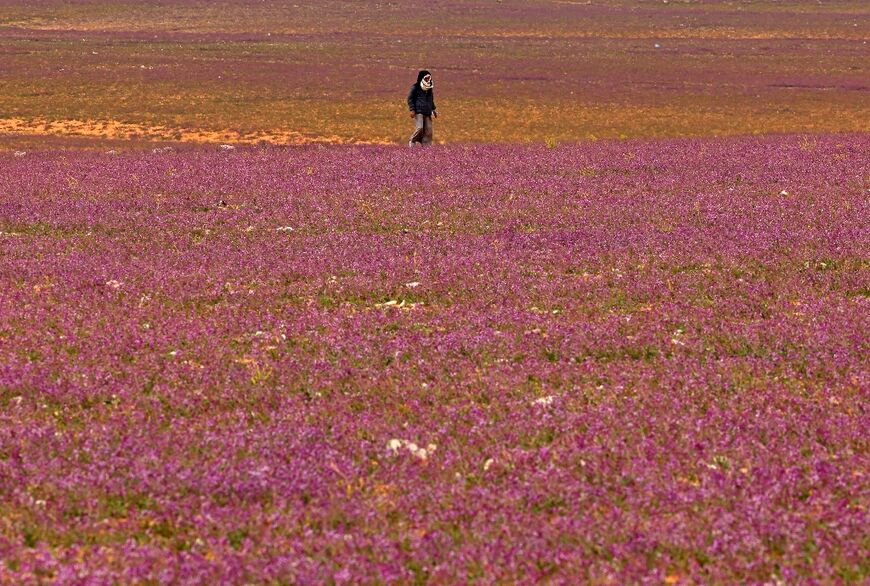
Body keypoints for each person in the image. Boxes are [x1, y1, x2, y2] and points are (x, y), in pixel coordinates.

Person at [407, 70, 437, 146]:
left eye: (429, 78)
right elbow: (410, 98)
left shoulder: (429, 88)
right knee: (420, 128)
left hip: (427, 112)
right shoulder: (415, 87)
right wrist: (412, 109)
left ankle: (426, 147)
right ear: (422, 78)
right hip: (418, 111)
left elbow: (431, 99)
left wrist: (433, 109)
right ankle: (412, 140)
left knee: (428, 130)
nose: (428, 79)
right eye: (426, 78)